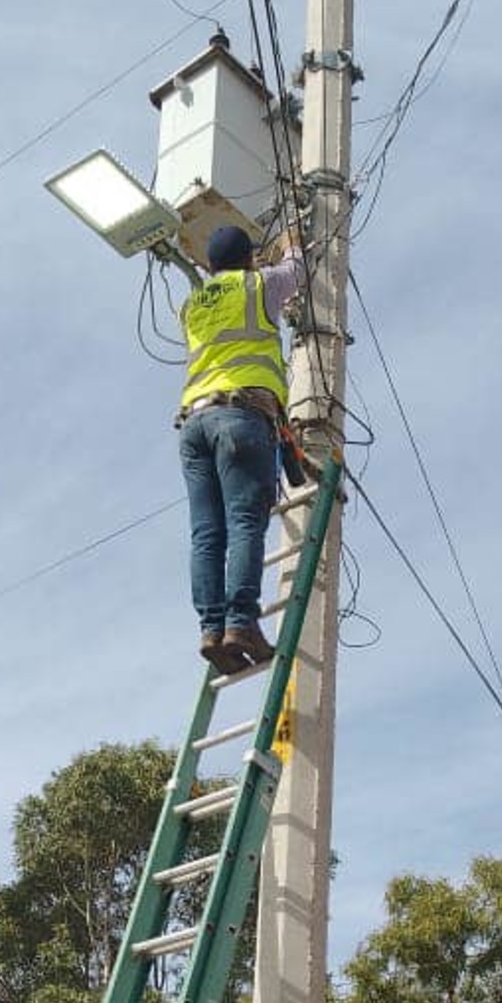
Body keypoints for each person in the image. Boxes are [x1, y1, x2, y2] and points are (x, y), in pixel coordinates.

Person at [177, 222, 303, 673]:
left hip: (194, 424)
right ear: (248, 258)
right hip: (242, 417)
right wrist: (290, 240)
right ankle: (240, 623)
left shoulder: (191, 305)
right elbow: (297, 270)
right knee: (246, 521)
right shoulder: (259, 284)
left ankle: (212, 629)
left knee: (207, 534)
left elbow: (222, 293)